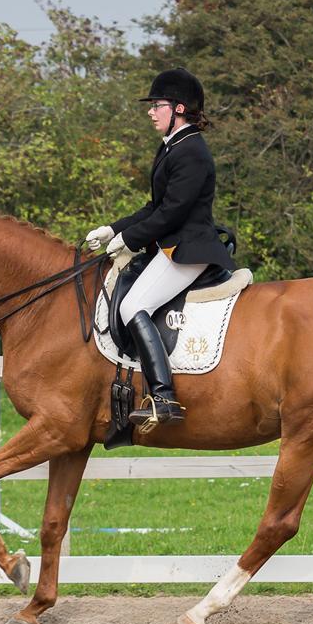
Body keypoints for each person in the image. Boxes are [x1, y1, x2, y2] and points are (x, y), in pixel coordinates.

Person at [85, 68, 237, 430]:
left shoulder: (193, 151)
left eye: (158, 105)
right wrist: (114, 230)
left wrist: (131, 240)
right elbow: (155, 207)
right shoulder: (174, 147)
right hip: (172, 245)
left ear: (179, 108)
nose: (151, 112)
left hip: (189, 249)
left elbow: (174, 211)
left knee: (133, 305)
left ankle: (164, 396)